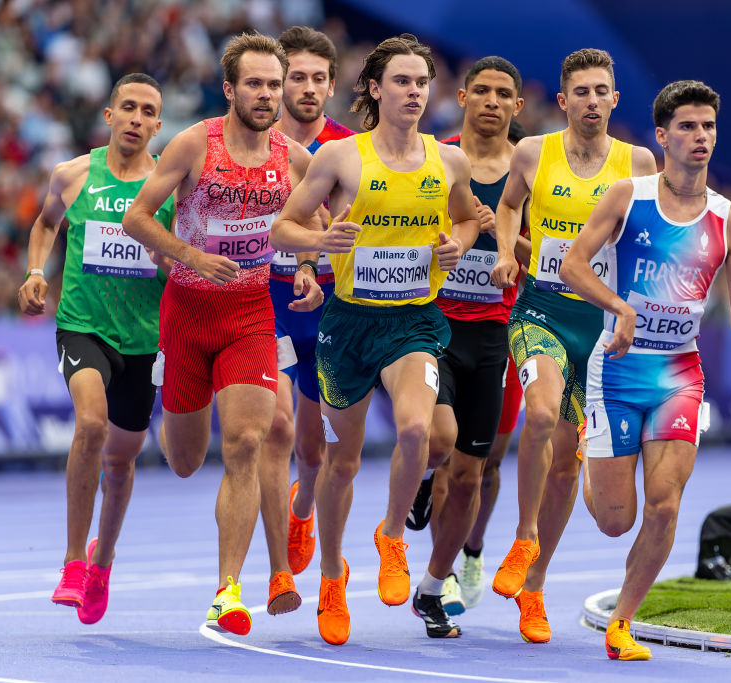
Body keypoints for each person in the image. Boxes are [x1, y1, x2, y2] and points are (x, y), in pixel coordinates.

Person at [271, 33, 479, 645]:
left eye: (422, 83)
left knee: (419, 430)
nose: (414, 93)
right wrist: (320, 244)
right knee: (342, 461)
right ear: (373, 89)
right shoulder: (342, 160)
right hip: (347, 327)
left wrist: (459, 244)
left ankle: (391, 534)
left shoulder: (450, 161)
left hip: (413, 323)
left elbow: (468, 217)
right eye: (402, 82)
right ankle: (332, 578)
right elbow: (284, 227)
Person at [122, 33, 321, 636]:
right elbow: (136, 218)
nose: (266, 94)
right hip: (186, 313)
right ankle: (173, 402)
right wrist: (189, 254)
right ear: (230, 89)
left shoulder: (295, 159)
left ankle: (227, 590)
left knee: (244, 442)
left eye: (273, 83)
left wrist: (309, 269)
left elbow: (313, 221)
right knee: (184, 460)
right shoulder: (193, 145)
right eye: (254, 84)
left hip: (252, 314)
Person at [560, 79, 731, 660]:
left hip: (680, 373)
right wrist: (619, 306)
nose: (701, 138)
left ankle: (622, 622)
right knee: (616, 521)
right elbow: (575, 266)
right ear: (662, 136)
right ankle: (587, 450)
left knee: (666, 504)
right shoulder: (629, 197)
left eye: (709, 127)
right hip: (617, 368)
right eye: (689, 127)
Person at [489, 48, 657, 643]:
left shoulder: (638, 163)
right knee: (537, 413)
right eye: (580, 91)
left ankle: (533, 588)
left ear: (615, 99)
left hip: (603, 328)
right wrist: (509, 252)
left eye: (601, 91)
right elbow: (508, 205)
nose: (591, 101)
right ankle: (523, 536)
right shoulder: (533, 152)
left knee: (566, 463)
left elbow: (653, 236)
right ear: (563, 101)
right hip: (541, 311)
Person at [18, 73, 175, 626]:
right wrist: (37, 272)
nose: (136, 118)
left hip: (144, 340)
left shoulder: (170, 189)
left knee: (122, 457)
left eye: (147, 111)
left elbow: (179, 259)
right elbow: (44, 225)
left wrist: (167, 260)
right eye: (126, 107)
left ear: (159, 125)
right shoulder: (74, 174)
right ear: (109, 116)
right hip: (83, 326)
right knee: (90, 425)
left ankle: (102, 561)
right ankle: (71, 563)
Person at [396, 56, 526, 637]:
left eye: (504, 94)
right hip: (433, 324)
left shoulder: (529, 173)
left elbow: (549, 256)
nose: (493, 102)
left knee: (475, 472)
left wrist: (503, 235)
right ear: (464, 97)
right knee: (435, 440)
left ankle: (436, 583)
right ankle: (423, 477)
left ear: (517, 107)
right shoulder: (434, 158)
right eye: (483, 92)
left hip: (494, 334)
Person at [256, 27, 355, 603]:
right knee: (278, 426)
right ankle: (276, 570)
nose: (308, 87)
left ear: (332, 85)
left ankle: (301, 507)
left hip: (328, 305)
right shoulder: (252, 143)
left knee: (314, 449)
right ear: (279, 81)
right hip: (265, 300)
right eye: (297, 76)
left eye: (319, 78)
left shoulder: (348, 149)